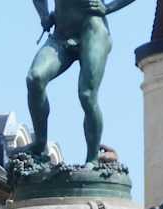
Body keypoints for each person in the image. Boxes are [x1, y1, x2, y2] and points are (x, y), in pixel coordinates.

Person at [22, 0, 138, 165]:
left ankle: (92, 158)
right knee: (35, 78)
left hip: (93, 30)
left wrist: (108, 8)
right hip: (61, 34)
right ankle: (40, 143)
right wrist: (44, 15)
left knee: (87, 95)